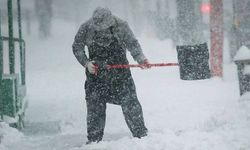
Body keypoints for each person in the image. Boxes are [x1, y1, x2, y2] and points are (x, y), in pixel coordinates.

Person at [72, 7, 149, 144]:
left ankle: (141, 137)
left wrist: (141, 59)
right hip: (96, 76)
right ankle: (94, 141)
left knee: (131, 104)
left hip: (121, 75)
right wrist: (86, 63)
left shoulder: (121, 26)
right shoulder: (86, 27)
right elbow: (77, 47)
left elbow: (132, 43)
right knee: (95, 108)